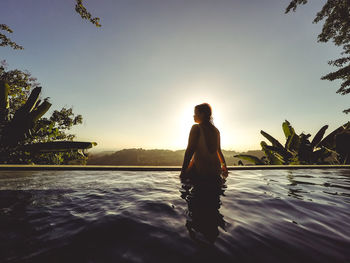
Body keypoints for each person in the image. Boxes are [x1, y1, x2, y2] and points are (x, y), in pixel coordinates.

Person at [180, 103, 228, 183]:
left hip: (202, 172)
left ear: (202, 114)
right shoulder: (216, 131)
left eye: (195, 113)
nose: (193, 116)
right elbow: (219, 151)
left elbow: (189, 151)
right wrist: (224, 167)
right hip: (216, 172)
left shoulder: (196, 128)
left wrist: (183, 172)